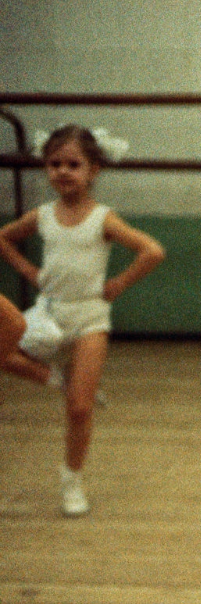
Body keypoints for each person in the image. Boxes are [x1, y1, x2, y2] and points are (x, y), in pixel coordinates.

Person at [0, 125, 164, 515]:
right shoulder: (42, 216)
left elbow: (152, 251)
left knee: (79, 408)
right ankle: (53, 377)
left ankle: (71, 479)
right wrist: (29, 272)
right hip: (50, 312)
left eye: (74, 164)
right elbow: (4, 237)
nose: (63, 172)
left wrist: (120, 283)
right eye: (54, 164)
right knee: (2, 352)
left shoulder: (102, 218)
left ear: (93, 171)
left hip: (90, 318)